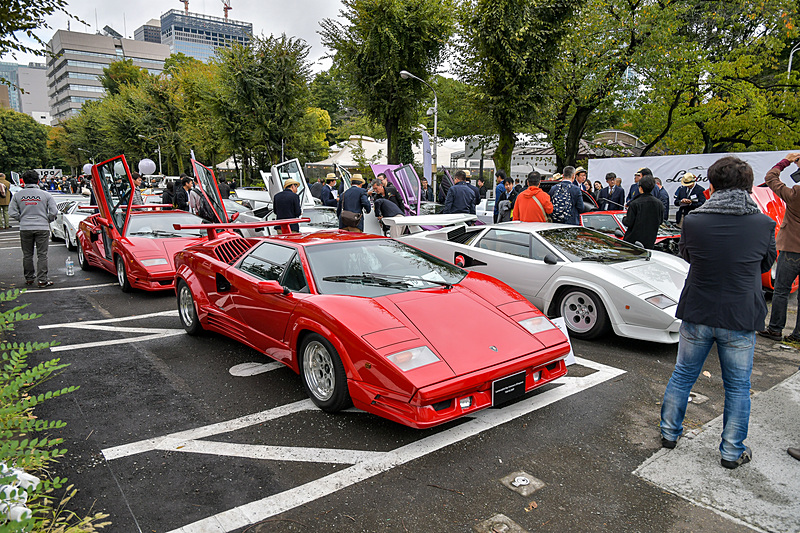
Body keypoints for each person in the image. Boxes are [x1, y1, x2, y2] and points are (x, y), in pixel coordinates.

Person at [660, 156, 776, 470]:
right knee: (738, 386)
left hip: (697, 308)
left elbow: (687, 255)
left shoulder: (694, 220)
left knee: (683, 375)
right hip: (740, 314)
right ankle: (731, 451)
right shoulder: (764, 223)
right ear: (749, 187)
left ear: (711, 186)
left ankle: (669, 433)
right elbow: (765, 265)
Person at [758, 152, 800, 343]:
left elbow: (770, 177)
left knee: (781, 290)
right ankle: (798, 335)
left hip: (791, 248)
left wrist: (787, 161)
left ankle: (775, 329)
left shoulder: (794, 194)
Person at [8, 170, 59, 287]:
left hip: (25, 227)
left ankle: (29, 278)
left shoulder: (17, 195)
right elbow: (54, 211)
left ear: (24, 181)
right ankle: (42, 280)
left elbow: (12, 212)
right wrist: (47, 219)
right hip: (42, 227)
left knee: (27, 254)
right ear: (37, 180)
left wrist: (22, 218)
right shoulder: (46, 194)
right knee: (42, 254)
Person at [622, 175, 663, 249]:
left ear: (640, 188)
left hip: (633, 240)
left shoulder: (635, 203)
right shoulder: (659, 204)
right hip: (650, 240)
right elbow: (660, 221)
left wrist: (624, 219)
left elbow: (629, 222)